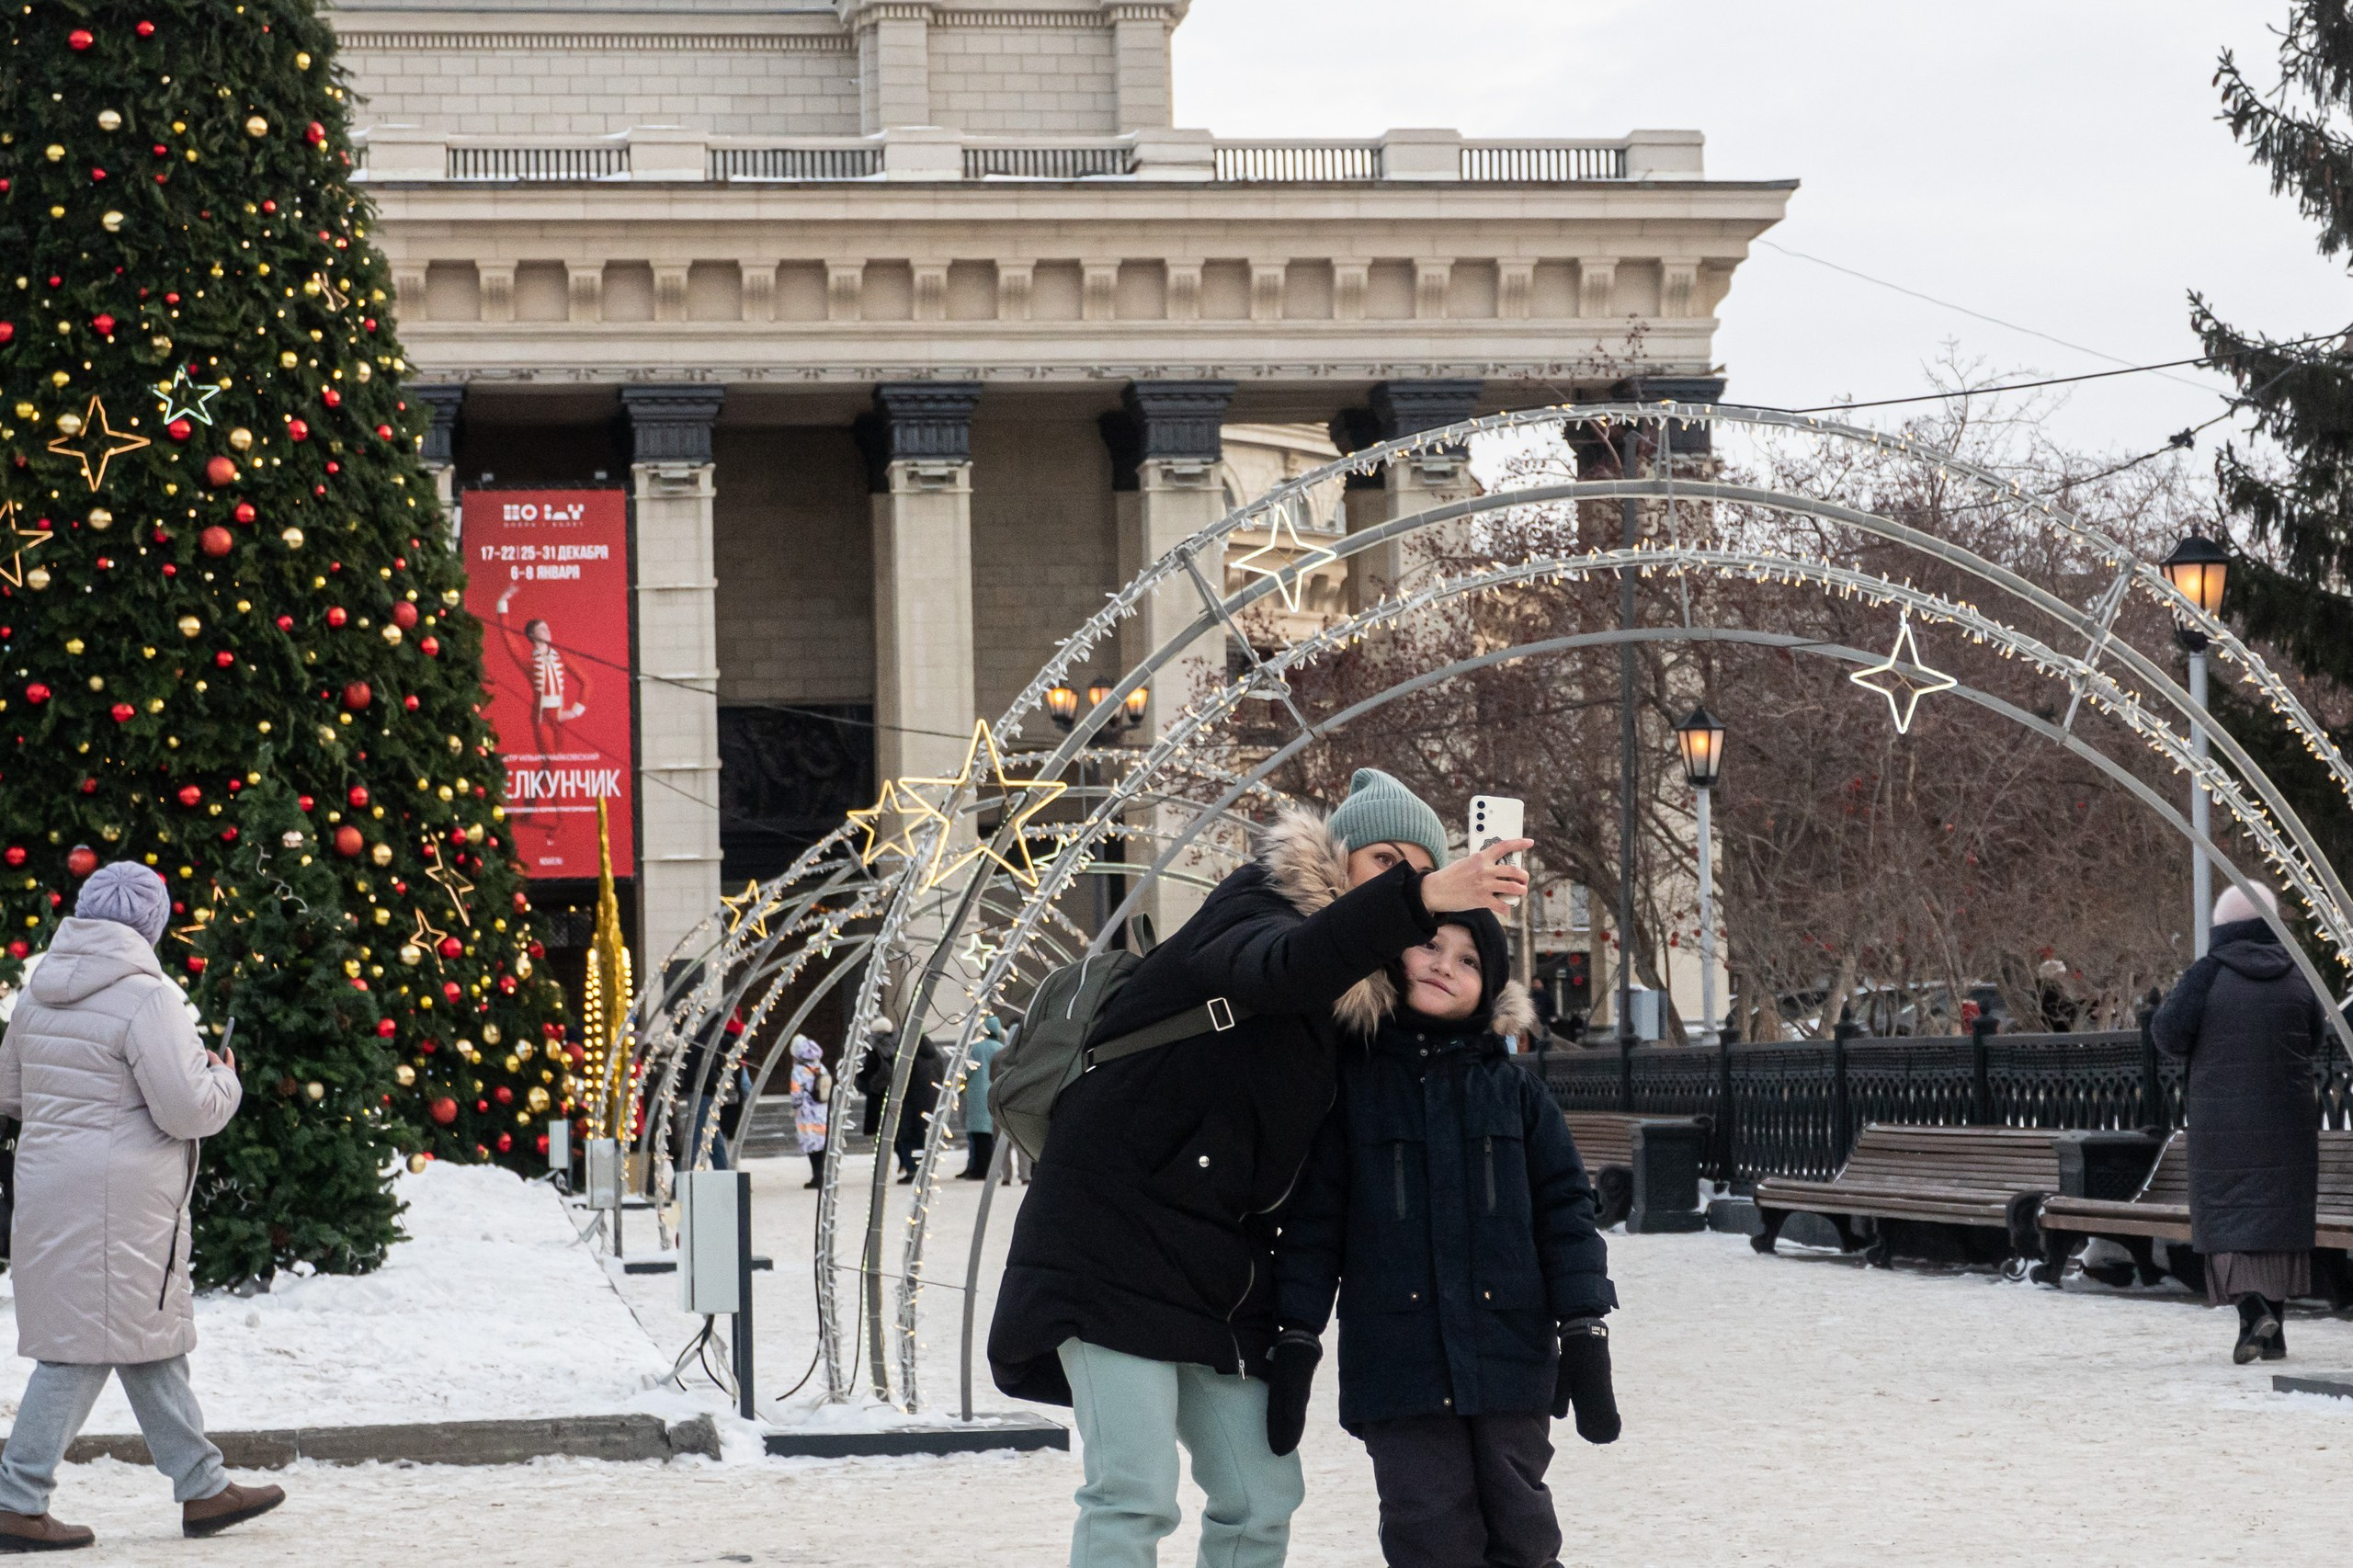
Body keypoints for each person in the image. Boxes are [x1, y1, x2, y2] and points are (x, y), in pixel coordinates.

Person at [989, 767, 1531, 1568]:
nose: (1401, 881)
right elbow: (1284, 967)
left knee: (1261, 1499)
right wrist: (1417, 900)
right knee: (1134, 1492)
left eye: (1418, 869)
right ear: (1338, 858)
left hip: (1225, 1270)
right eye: (1384, 861)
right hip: (1107, 1239)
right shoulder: (1253, 905)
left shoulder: (1363, 998)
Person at [1271, 909, 1618, 1568]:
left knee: (1523, 1528)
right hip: (1397, 1362)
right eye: (1430, 946)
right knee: (1428, 1527)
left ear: (1489, 989)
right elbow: (1315, 1226)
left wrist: (1584, 1326)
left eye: (1468, 961)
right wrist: (1295, 1335)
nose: (1443, 966)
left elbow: (1566, 1212)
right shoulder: (1350, 1091)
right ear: (1394, 959)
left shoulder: (1517, 1095)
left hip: (1509, 1352)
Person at [0, 863, 285, 1548]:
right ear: (151, 925)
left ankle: (203, 1485)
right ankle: (16, 1495)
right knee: (84, 1349)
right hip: (120, 1200)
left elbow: (9, 1093)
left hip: (49, 1186)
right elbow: (187, 1110)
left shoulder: (37, 994)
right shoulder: (146, 998)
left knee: (143, 1338)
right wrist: (223, 1079)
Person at [2153, 883, 2332, 1364]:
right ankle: (2272, 1337)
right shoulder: (2298, 975)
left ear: (2223, 926)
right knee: (2276, 1226)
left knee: (2229, 1222)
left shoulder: (2208, 974)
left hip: (2223, 1125)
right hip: (2290, 1123)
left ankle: (2252, 1314)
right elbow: (2315, 1035)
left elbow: (2167, 1033)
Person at [892, 1037, 946, 1185]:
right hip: (931, 1101)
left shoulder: (908, 1057)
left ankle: (912, 1170)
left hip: (910, 1101)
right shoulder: (936, 1056)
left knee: (908, 1136)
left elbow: (902, 1080)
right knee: (924, 1137)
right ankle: (925, 1171)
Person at [961, 1016, 1006, 1180]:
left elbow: (967, 1071)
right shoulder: (1001, 1048)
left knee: (978, 1137)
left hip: (976, 1095)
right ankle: (991, 1168)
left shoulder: (976, 1048)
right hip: (994, 1093)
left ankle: (978, 1169)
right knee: (989, 1135)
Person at [788, 1035, 831, 1190]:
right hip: (822, 1110)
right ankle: (824, 1175)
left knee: (812, 1145)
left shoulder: (798, 1070)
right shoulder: (820, 1066)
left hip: (807, 1113)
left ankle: (817, 1176)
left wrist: (795, 1107)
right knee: (822, 1144)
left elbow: (796, 1093)